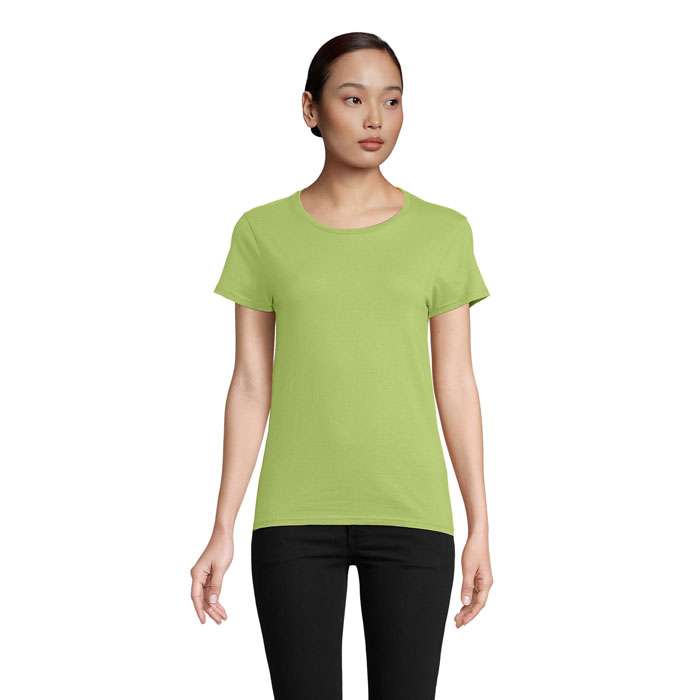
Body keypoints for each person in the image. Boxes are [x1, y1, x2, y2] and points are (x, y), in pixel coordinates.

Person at [190, 31, 494, 700]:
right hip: (293, 518)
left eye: (392, 100)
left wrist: (479, 524)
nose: (375, 119)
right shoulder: (261, 232)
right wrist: (221, 527)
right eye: (353, 99)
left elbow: (456, 382)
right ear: (311, 109)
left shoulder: (444, 232)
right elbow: (250, 385)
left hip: (413, 515)